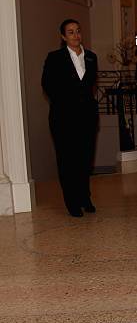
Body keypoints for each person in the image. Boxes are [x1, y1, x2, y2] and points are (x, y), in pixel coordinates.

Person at [41, 19, 99, 217]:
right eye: (71, 32)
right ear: (63, 36)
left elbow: (90, 86)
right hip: (63, 117)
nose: (76, 35)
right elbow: (47, 85)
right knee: (68, 160)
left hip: (88, 118)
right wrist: (68, 103)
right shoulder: (54, 58)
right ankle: (72, 201)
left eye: (78, 31)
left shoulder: (91, 57)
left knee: (85, 159)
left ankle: (85, 197)